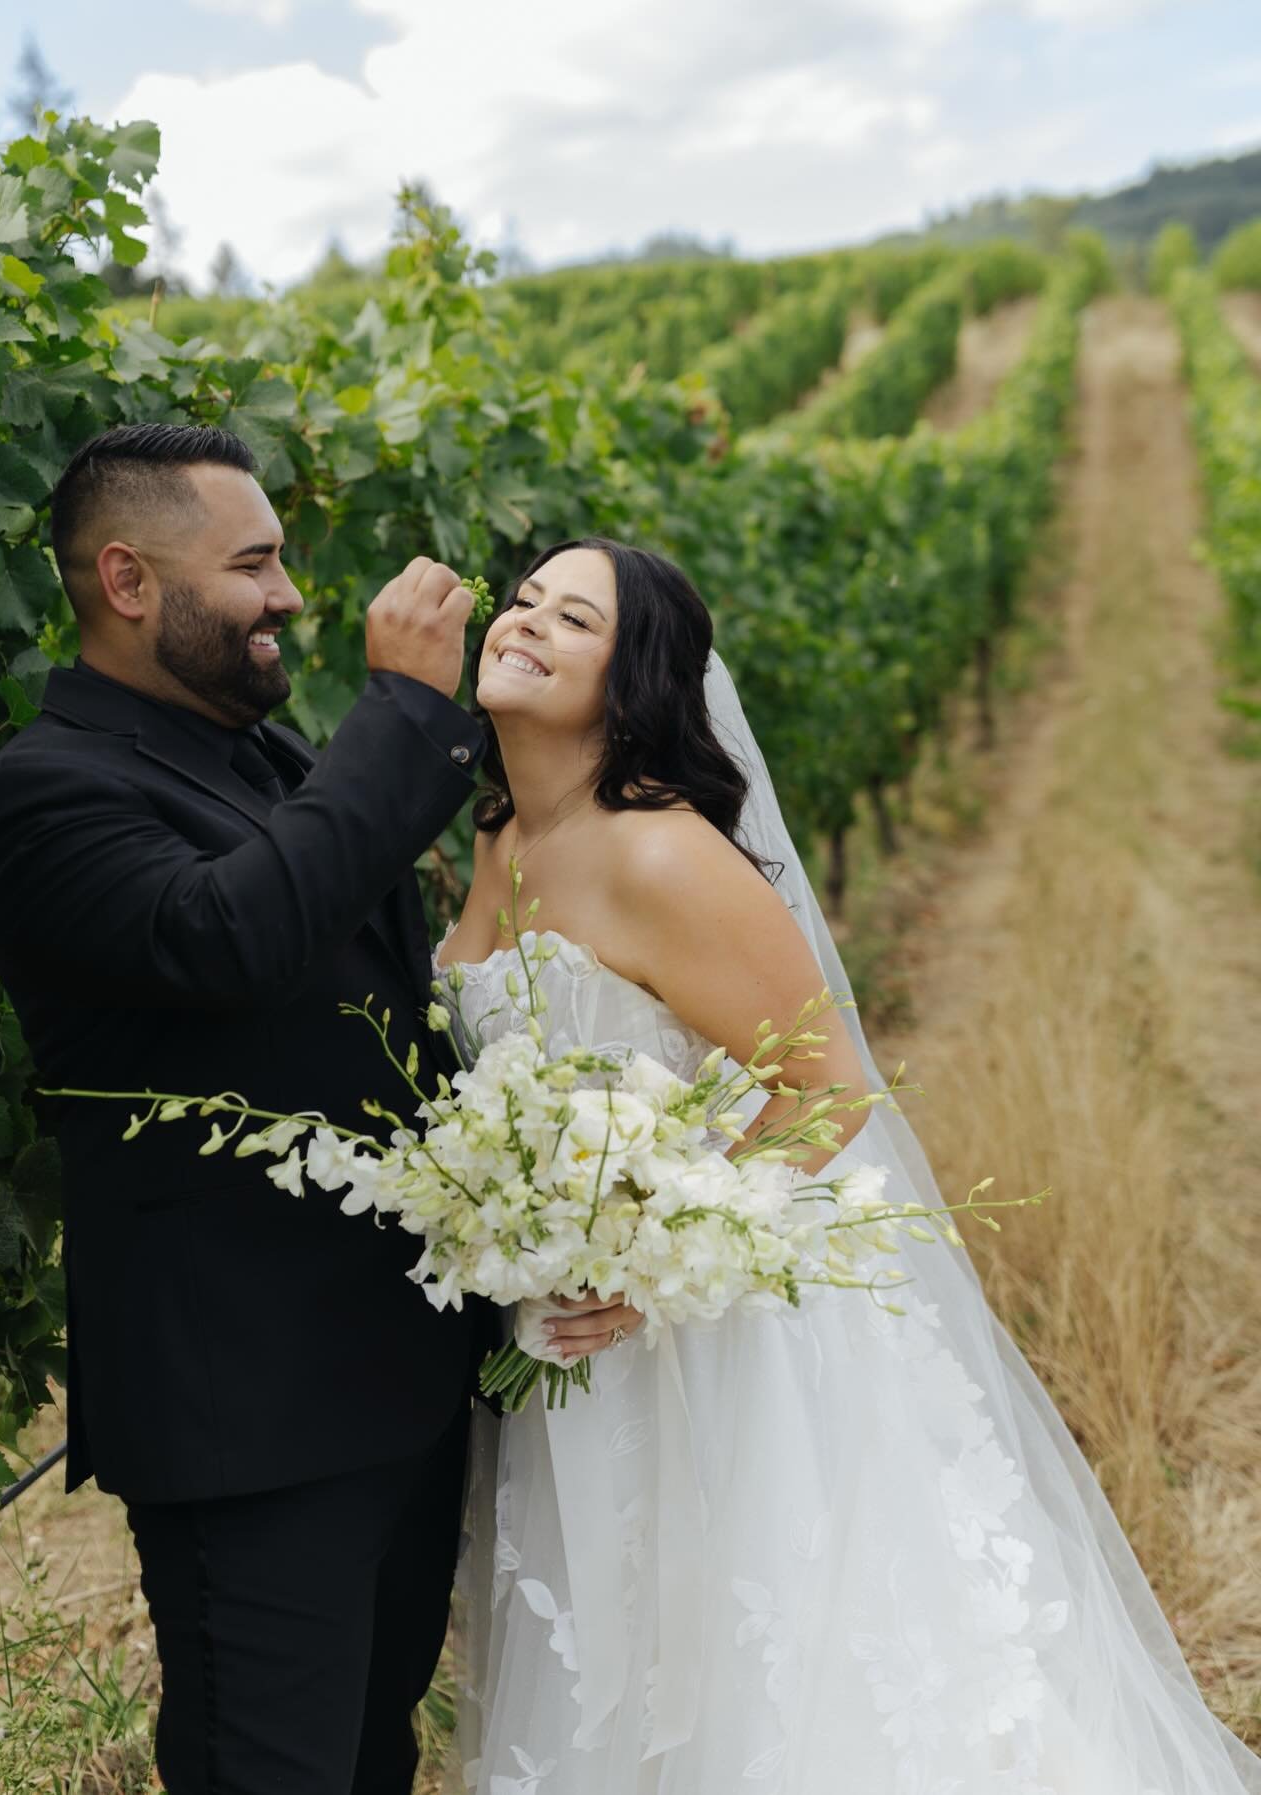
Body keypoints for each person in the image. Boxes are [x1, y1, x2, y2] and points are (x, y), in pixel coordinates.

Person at [435, 536, 1261, 1793]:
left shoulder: (658, 852)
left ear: (633, 676)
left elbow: (828, 1089)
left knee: (764, 1666)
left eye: (575, 618)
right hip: (571, 1333)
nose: (526, 622)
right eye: (524, 600)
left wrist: (657, 1253)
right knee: (613, 1646)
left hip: (706, 1332)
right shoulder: (499, 837)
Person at [0, 421, 492, 1795]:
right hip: (249, 1418)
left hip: (394, 1387)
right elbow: (229, 936)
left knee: (370, 1758)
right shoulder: (43, 793)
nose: (291, 594)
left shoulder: (259, 754)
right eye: (252, 562)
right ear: (129, 581)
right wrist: (405, 715)